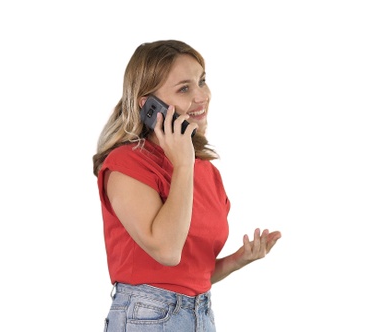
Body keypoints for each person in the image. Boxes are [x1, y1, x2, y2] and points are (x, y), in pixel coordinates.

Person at [92, 39, 282, 332]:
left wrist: (237, 260)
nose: (201, 96)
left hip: (201, 315)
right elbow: (167, 251)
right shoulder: (127, 164)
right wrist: (182, 164)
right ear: (148, 105)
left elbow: (189, 271)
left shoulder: (205, 170)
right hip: (146, 317)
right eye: (184, 88)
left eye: (202, 82)